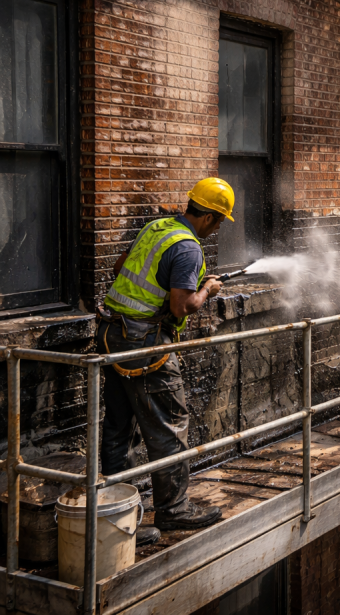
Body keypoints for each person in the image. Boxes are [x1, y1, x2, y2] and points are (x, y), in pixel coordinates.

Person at [99, 178, 233, 545]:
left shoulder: (156, 228)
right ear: (207, 217)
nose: (219, 228)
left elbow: (118, 270)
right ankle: (173, 510)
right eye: (220, 220)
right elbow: (181, 306)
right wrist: (208, 289)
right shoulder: (188, 248)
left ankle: (117, 511)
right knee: (170, 424)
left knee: (117, 425)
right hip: (147, 345)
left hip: (113, 336)